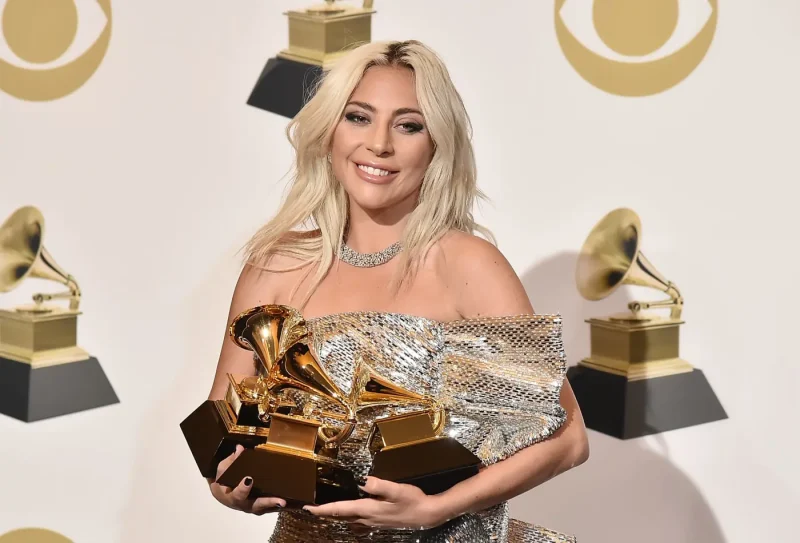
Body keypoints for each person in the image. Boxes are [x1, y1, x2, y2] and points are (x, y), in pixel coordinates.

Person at [204, 39, 589, 542]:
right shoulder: (274, 265)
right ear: (329, 132)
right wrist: (229, 487)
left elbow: (568, 439)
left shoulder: (467, 264)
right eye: (358, 117)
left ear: (436, 145)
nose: (379, 144)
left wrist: (437, 508)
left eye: (408, 125)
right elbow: (222, 432)